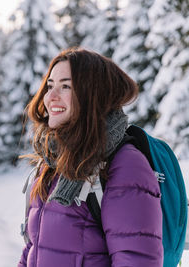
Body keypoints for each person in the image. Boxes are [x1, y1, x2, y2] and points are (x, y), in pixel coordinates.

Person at [18, 47, 163, 267]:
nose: (50, 97)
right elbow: (33, 247)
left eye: (65, 86)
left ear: (93, 95)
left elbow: (136, 261)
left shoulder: (125, 166)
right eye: (50, 86)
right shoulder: (52, 162)